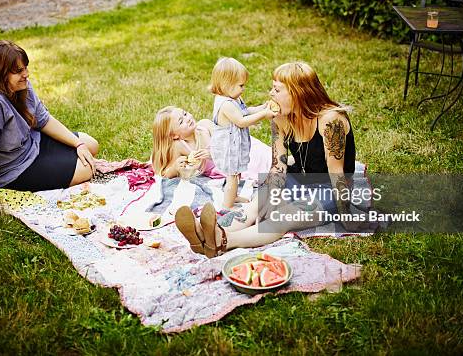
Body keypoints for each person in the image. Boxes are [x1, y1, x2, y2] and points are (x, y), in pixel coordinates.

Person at [175, 61, 366, 258]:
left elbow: (337, 173)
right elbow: (278, 166)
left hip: (329, 188)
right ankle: (201, 233)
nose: (270, 94)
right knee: (253, 208)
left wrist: (346, 216)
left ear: (297, 93)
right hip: (298, 178)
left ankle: (221, 241)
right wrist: (271, 194)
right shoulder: (280, 118)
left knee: (282, 218)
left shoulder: (331, 120)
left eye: (276, 89)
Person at [0, 40, 99, 212]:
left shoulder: (20, 86)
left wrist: (78, 144)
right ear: (0, 73)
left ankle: (64, 156)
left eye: (25, 68)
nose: (26, 74)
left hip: (29, 146)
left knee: (90, 145)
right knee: (87, 169)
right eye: (19, 71)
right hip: (9, 170)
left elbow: (43, 120)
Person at [208, 57, 276, 208]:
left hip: (234, 146)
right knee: (232, 176)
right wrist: (264, 114)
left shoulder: (234, 98)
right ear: (226, 85)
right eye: (241, 85)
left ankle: (234, 196)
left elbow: (245, 112)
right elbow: (242, 121)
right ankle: (227, 206)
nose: (243, 89)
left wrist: (261, 107)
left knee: (236, 173)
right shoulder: (225, 104)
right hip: (228, 148)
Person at [151, 106, 222, 179]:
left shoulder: (205, 126)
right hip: (219, 172)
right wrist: (175, 169)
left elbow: (227, 144)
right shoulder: (180, 145)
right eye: (181, 122)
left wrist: (213, 153)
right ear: (174, 135)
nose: (187, 119)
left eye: (185, 114)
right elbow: (165, 174)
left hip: (228, 161)